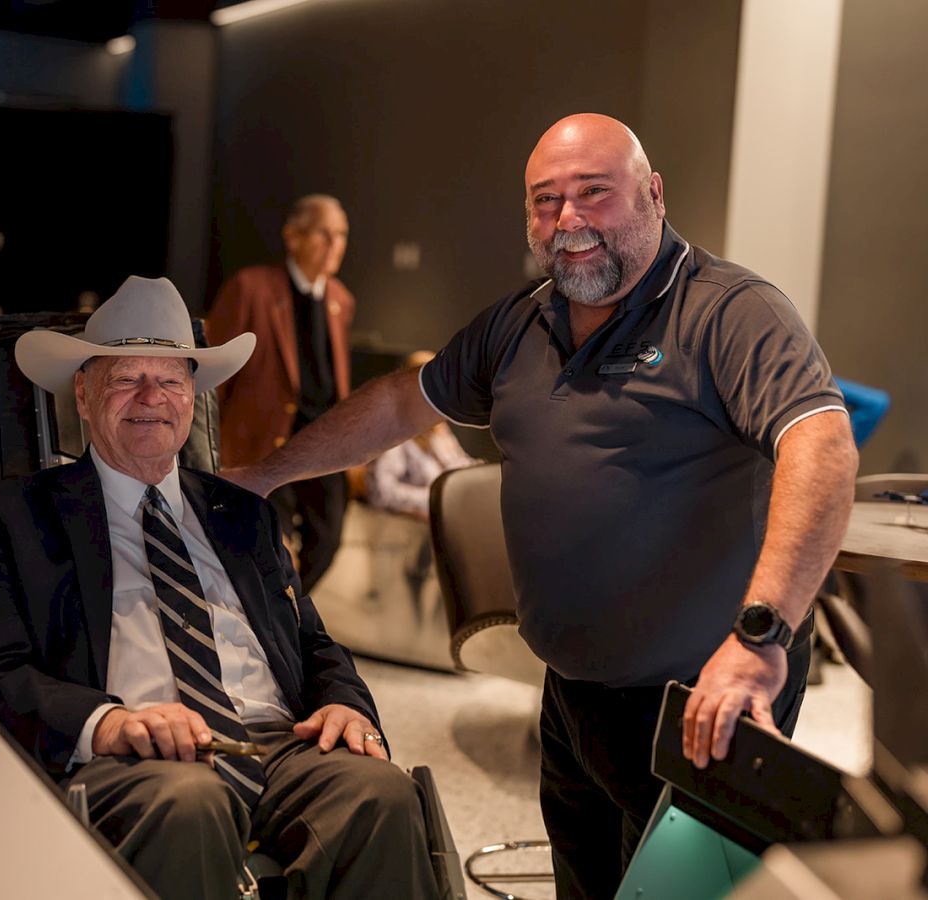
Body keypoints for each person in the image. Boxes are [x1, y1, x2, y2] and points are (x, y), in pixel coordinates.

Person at [222, 114, 858, 898]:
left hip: (704, 699)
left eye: (595, 193)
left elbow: (823, 450)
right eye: (546, 200)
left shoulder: (729, 310)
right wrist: (263, 476)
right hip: (572, 690)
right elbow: (397, 406)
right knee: (585, 885)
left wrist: (761, 637)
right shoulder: (517, 323)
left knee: (674, 892)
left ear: (654, 194)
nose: (569, 220)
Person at [0, 275, 435, 900]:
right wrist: (109, 723)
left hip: (280, 745)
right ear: (85, 394)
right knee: (191, 802)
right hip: (132, 760)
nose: (151, 396)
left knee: (382, 793)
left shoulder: (244, 516)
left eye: (172, 380)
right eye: (126, 378)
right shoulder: (13, 518)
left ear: (191, 399)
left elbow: (316, 645)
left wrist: (349, 705)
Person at [206, 194, 354, 592]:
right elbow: (212, 375)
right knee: (275, 545)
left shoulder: (341, 300)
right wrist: (206, 448)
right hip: (266, 443)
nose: (335, 244)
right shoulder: (251, 288)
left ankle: (282, 613)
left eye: (341, 235)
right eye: (324, 233)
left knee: (328, 542)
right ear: (293, 236)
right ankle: (274, 621)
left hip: (324, 447)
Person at [365, 351, 480, 520]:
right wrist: (437, 498)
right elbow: (382, 493)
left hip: (447, 517)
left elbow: (458, 464)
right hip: (410, 533)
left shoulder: (438, 429)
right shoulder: (395, 432)